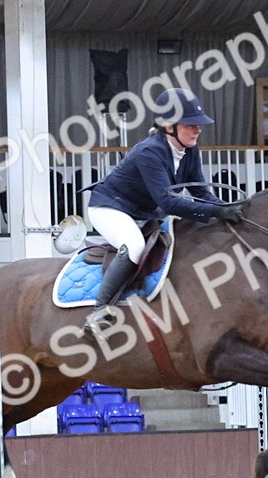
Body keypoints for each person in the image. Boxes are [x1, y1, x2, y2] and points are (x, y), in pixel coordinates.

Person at [84, 87, 244, 332]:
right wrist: (215, 212)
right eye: (191, 124)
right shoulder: (150, 151)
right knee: (135, 246)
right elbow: (168, 202)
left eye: (198, 124)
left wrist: (230, 208)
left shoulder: (190, 150)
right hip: (110, 207)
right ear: (169, 126)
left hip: (145, 212)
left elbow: (201, 192)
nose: (198, 129)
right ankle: (99, 312)